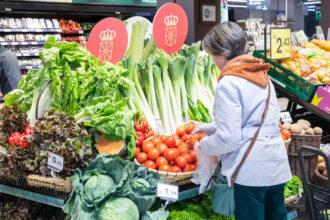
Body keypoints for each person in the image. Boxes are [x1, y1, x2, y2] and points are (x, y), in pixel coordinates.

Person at [194, 22, 292, 220]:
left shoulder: (229, 82)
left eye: (213, 54)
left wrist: (203, 145)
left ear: (221, 53)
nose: (214, 61)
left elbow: (229, 138)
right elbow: (255, 121)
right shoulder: (262, 74)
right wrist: (209, 127)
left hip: (252, 172)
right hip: (276, 165)